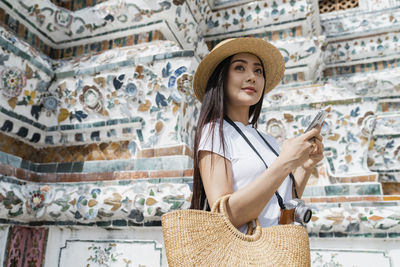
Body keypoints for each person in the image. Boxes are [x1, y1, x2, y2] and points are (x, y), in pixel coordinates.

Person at [190, 37, 324, 232]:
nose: (252, 77)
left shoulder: (267, 140)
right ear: (221, 77)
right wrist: (286, 162)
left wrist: (305, 166)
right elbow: (224, 217)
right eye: (239, 68)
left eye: (258, 71)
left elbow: (279, 206)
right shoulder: (214, 132)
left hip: (277, 252)